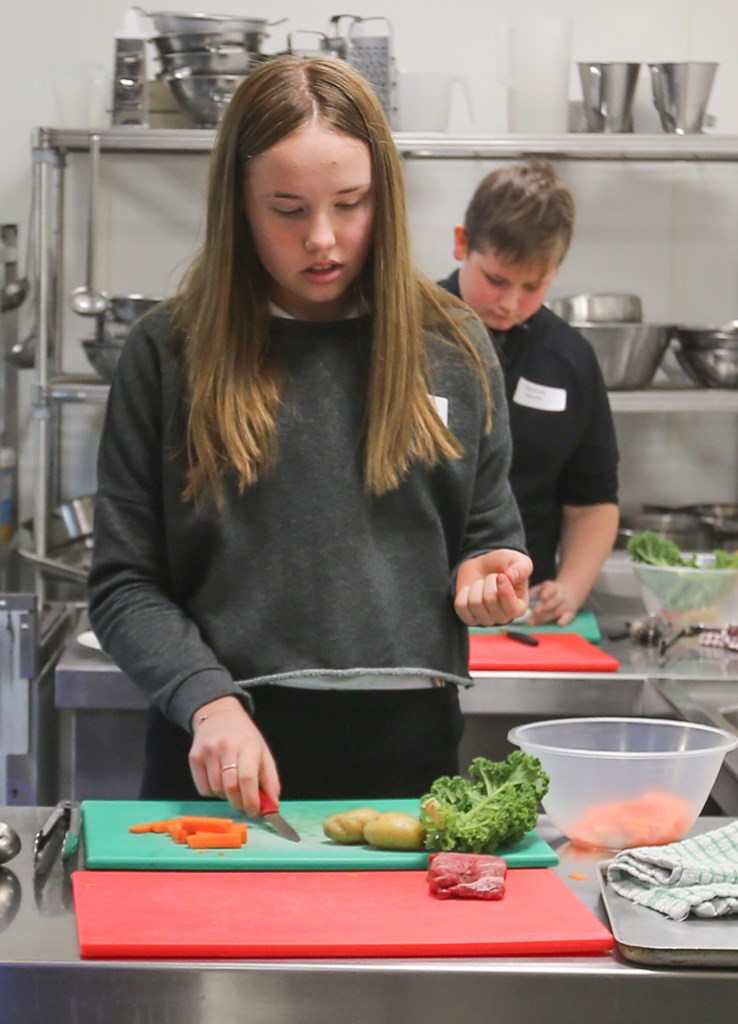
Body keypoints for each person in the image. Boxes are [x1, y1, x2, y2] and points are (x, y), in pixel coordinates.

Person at [87, 55, 532, 816]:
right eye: (287, 209)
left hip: (408, 762)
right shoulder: (168, 354)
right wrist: (207, 701)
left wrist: (490, 579)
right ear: (238, 206)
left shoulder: (453, 344)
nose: (322, 239)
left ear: (383, 198)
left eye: (350, 204)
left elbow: (486, 533)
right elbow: (126, 583)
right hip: (222, 757)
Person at [439, 160, 619, 627]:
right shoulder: (403, 334)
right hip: (415, 609)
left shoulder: (571, 360)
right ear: (462, 243)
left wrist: (570, 588)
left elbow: (593, 504)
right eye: (496, 279)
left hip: (523, 615)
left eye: (533, 286)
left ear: (556, 272)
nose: (510, 302)